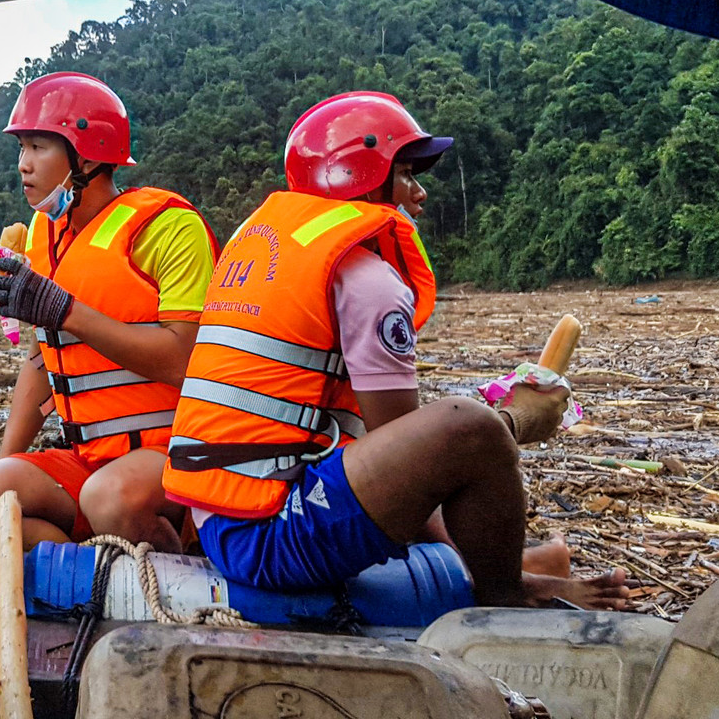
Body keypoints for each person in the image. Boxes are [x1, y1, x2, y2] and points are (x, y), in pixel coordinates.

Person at [162, 91, 629, 609]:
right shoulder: (366, 280)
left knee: (449, 435)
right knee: (467, 428)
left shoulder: (267, 254)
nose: (419, 193)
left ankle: (504, 572)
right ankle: (507, 597)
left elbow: (394, 460)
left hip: (221, 519)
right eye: (407, 173)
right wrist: (514, 420)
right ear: (362, 176)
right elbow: (407, 446)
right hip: (268, 535)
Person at [0, 71, 218, 556]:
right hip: (90, 458)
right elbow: (42, 364)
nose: (23, 165)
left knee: (109, 498)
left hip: (177, 453)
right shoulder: (42, 237)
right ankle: (93, 576)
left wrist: (67, 311)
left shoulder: (167, 228)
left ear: (89, 157)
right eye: (21, 148)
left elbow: (186, 361)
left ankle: (182, 564)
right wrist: (8, 465)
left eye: (39, 147)